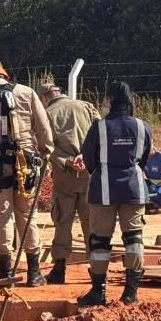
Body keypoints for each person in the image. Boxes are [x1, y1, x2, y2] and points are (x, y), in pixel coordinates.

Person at [78, 81, 152, 306]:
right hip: (133, 188)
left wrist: (100, 172)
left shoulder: (99, 127)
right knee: (134, 239)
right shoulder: (142, 126)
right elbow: (145, 158)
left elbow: (89, 157)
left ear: (109, 100)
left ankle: (98, 292)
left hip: (103, 190)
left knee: (99, 241)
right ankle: (130, 293)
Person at [0, 63, 53, 286]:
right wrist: (46, 154)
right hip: (26, 163)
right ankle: (34, 272)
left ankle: (4, 273)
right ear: (6, 76)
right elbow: (43, 127)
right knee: (26, 214)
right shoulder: (27, 92)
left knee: (2, 215)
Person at [38, 82, 100, 284]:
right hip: (89, 174)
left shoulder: (47, 114)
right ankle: (97, 268)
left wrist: (65, 162)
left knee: (62, 222)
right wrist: (86, 156)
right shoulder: (86, 107)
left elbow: (46, 146)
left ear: (45, 97)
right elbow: (100, 135)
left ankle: (59, 269)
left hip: (65, 178)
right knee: (91, 222)